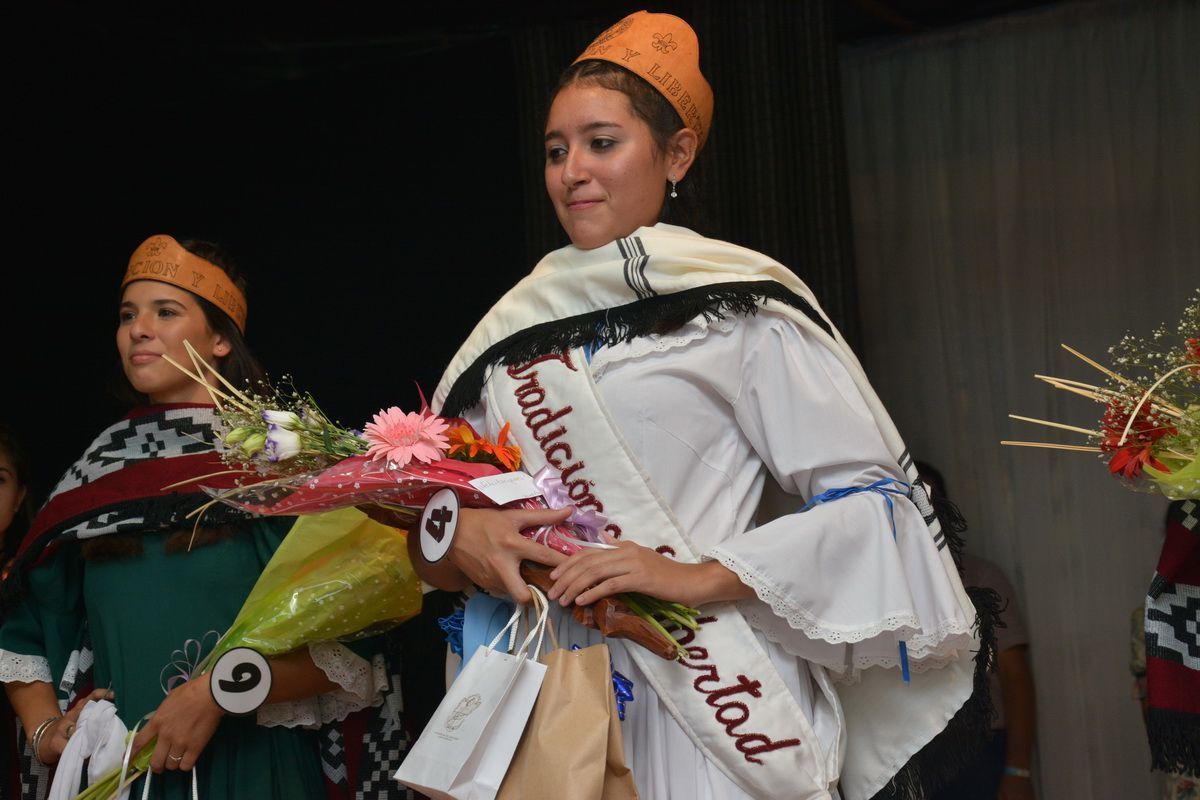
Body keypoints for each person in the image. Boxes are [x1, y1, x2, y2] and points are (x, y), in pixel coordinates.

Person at [420, 12, 984, 800]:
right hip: (560, 703)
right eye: (556, 151)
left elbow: (873, 506)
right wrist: (461, 536)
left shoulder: (736, 308)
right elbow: (430, 532)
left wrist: (692, 576)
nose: (572, 171)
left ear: (676, 152)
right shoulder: (506, 335)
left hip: (718, 693)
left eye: (601, 143)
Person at [0, 236, 404, 800]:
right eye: (127, 315)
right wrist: (46, 732)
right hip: (121, 776)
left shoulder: (278, 462)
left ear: (219, 339)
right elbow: (25, 629)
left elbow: (354, 650)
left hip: (254, 772)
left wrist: (216, 692)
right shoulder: (93, 475)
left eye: (166, 312)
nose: (139, 328)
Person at [917, 462, 1037, 800]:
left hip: (979, 750)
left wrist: (1018, 771)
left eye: (930, 502)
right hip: (908, 754)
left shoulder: (981, 579)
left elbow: (1016, 677)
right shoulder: (877, 590)